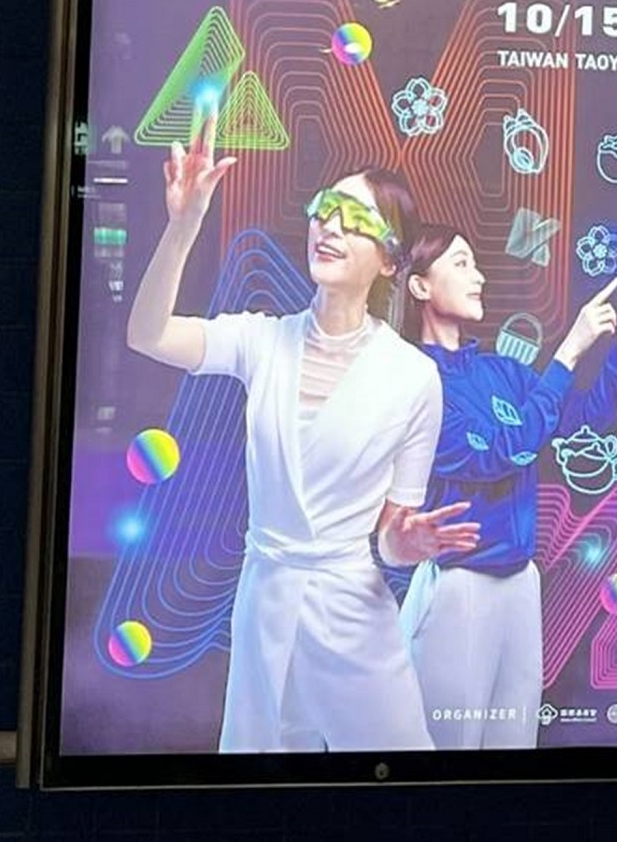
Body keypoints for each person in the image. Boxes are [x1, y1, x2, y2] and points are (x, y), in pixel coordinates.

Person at [125, 109, 477, 752]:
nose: (330, 227)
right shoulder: (262, 341)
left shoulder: (413, 377)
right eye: (325, 209)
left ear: (392, 261)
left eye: (356, 219)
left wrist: (410, 542)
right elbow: (147, 334)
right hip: (265, 604)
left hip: (353, 618)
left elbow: (390, 540)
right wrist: (183, 226)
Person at [396, 225, 617, 749]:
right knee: (444, 753)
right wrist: (569, 350)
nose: (478, 277)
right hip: (460, 585)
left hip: (522, 583)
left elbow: (587, 416)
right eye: (461, 263)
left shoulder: (502, 372)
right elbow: (501, 453)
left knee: (514, 747)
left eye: (476, 263)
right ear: (419, 287)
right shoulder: (415, 382)